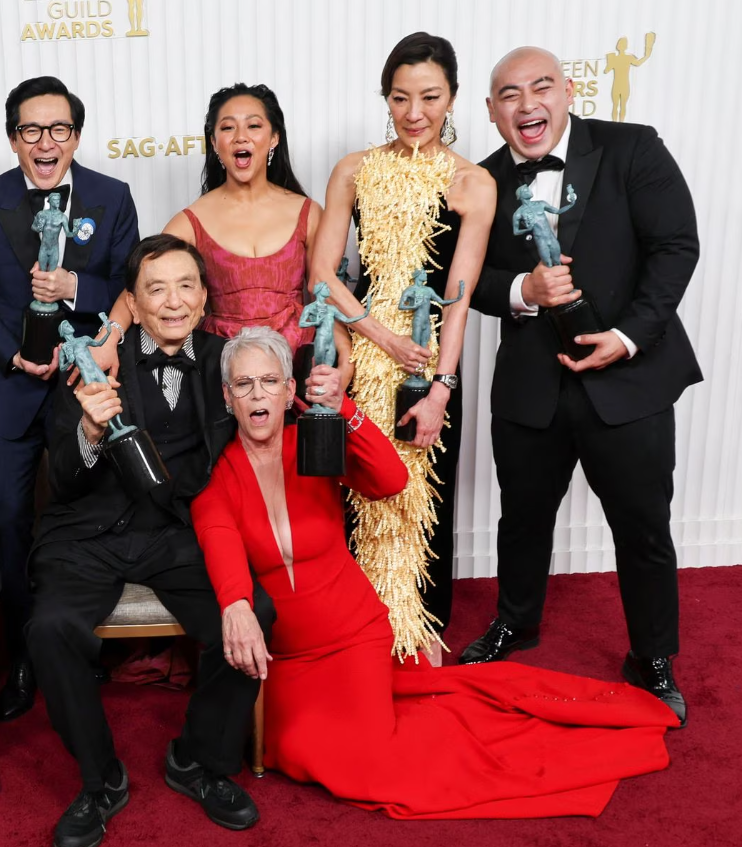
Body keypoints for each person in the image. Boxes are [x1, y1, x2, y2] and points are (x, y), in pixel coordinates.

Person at [192, 326, 680, 819]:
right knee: (295, 748)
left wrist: (342, 407)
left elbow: (390, 480)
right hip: (288, 658)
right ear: (227, 396)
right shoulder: (218, 476)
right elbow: (219, 544)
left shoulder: (315, 442)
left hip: (351, 636)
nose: (258, 394)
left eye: (270, 381)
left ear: (290, 391)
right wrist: (235, 604)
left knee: (371, 763)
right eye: (244, 384)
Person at [458, 47, 701, 727]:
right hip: (532, 387)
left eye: (541, 87)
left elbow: (676, 246)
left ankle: (653, 659)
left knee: (644, 527)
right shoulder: (478, 180)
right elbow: (461, 279)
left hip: (627, 379)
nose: (526, 104)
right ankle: (515, 623)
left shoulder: (632, 149)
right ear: (491, 110)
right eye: (508, 94)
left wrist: (625, 337)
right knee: (523, 518)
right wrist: (520, 290)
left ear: (568, 91)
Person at [28, 235, 272, 847]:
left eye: (185, 285)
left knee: (253, 613)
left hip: (179, 533)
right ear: (130, 304)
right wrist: (87, 427)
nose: (172, 302)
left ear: (204, 296)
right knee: (48, 630)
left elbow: (270, 418)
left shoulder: (225, 360)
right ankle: (100, 779)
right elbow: (59, 477)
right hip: (89, 533)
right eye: (155, 289)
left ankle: (199, 760)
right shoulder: (94, 359)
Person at [0, 76, 139, 722]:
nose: (46, 142)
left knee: (83, 520)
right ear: (13, 139)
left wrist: (76, 286)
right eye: (32, 130)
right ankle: (24, 654)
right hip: (10, 388)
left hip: (86, 386)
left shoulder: (112, 198)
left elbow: (127, 285)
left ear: (76, 136)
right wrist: (14, 353)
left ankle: (79, 644)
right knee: (9, 521)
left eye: (59, 129)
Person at [308, 32, 495, 662]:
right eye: (400, 97)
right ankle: (361, 631)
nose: (415, 112)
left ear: (453, 99)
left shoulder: (473, 183)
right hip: (365, 355)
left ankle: (421, 631)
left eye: (430, 97)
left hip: (432, 361)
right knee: (359, 488)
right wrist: (378, 334)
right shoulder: (354, 169)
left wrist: (443, 386)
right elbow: (322, 274)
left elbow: (461, 295)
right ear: (385, 98)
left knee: (424, 493)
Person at [93, 83, 320, 367]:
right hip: (220, 362)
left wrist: (344, 354)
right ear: (213, 143)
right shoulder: (190, 222)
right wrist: (107, 340)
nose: (240, 138)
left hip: (296, 360)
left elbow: (328, 296)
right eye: (227, 128)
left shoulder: (308, 213)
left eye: (253, 126)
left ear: (274, 137)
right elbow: (143, 284)